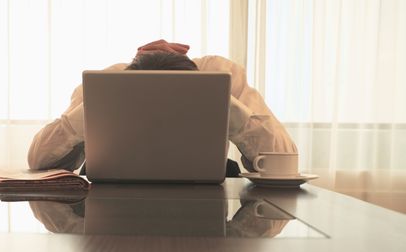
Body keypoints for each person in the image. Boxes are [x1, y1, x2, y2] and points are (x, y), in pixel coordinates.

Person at [28, 39, 297, 175]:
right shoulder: (107, 80)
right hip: (113, 193)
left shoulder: (221, 74)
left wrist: (224, 105)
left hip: (204, 193)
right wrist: (94, 110)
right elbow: (38, 159)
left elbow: (284, 160)